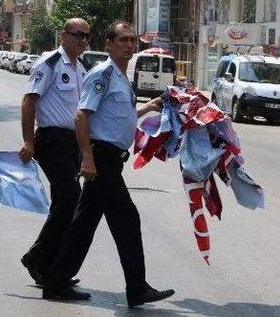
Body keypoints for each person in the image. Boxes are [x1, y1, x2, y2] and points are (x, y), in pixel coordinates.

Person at [41, 21, 175, 307]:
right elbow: (82, 116)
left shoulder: (122, 77)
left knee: (83, 223)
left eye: (132, 40)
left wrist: (147, 109)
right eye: (123, 40)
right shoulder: (102, 74)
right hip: (101, 159)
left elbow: (117, 116)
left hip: (110, 159)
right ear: (109, 44)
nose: (129, 45)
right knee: (127, 218)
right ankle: (136, 288)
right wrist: (87, 159)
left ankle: (55, 280)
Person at [18, 18, 90, 287]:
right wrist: (28, 141)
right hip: (52, 140)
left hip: (71, 143)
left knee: (64, 204)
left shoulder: (81, 69)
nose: (82, 40)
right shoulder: (49, 63)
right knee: (71, 200)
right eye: (77, 35)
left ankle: (46, 263)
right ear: (64, 35)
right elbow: (29, 101)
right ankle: (38, 259)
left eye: (86, 36)